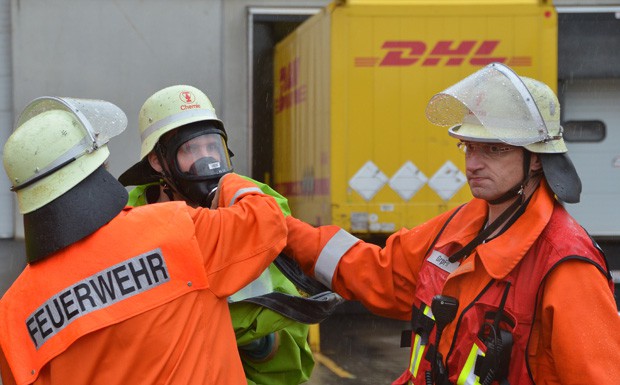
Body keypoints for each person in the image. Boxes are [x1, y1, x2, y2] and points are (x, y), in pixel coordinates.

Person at [282, 63, 620, 385]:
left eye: (493, 150)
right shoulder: (459, 226)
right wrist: (279, 229)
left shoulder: (565, 264)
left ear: (536, 159)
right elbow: (377, 273)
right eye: (468, 147)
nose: (473, 164)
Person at [0, 96, 288, 385]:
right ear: (99, 163)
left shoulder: (12, 313)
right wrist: (226, 181)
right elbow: (266, 222)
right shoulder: (173, 229)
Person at [118, 85, 340, 385]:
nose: (206, 160)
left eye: (213, 147)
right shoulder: (123, 221)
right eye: (191, 149)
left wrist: (258, 343)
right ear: (158, 161)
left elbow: (287, 303)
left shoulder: (256, 205)